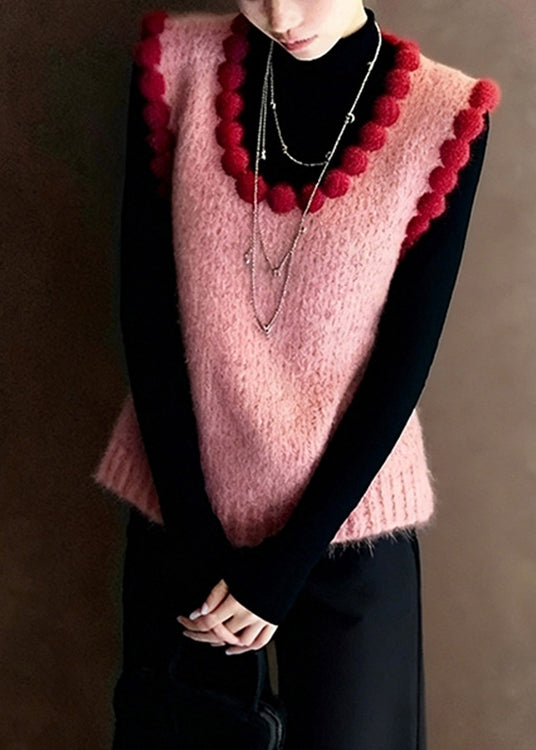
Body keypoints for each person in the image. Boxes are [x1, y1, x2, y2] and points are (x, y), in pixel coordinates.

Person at [92, 1, 501, 747]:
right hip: (182, 515)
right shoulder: (177, 68)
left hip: (346, 530)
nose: (280, 15)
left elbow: (403, 362)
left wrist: (282, 568)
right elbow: (145, 308)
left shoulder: (444, 114)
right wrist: (196, 540)